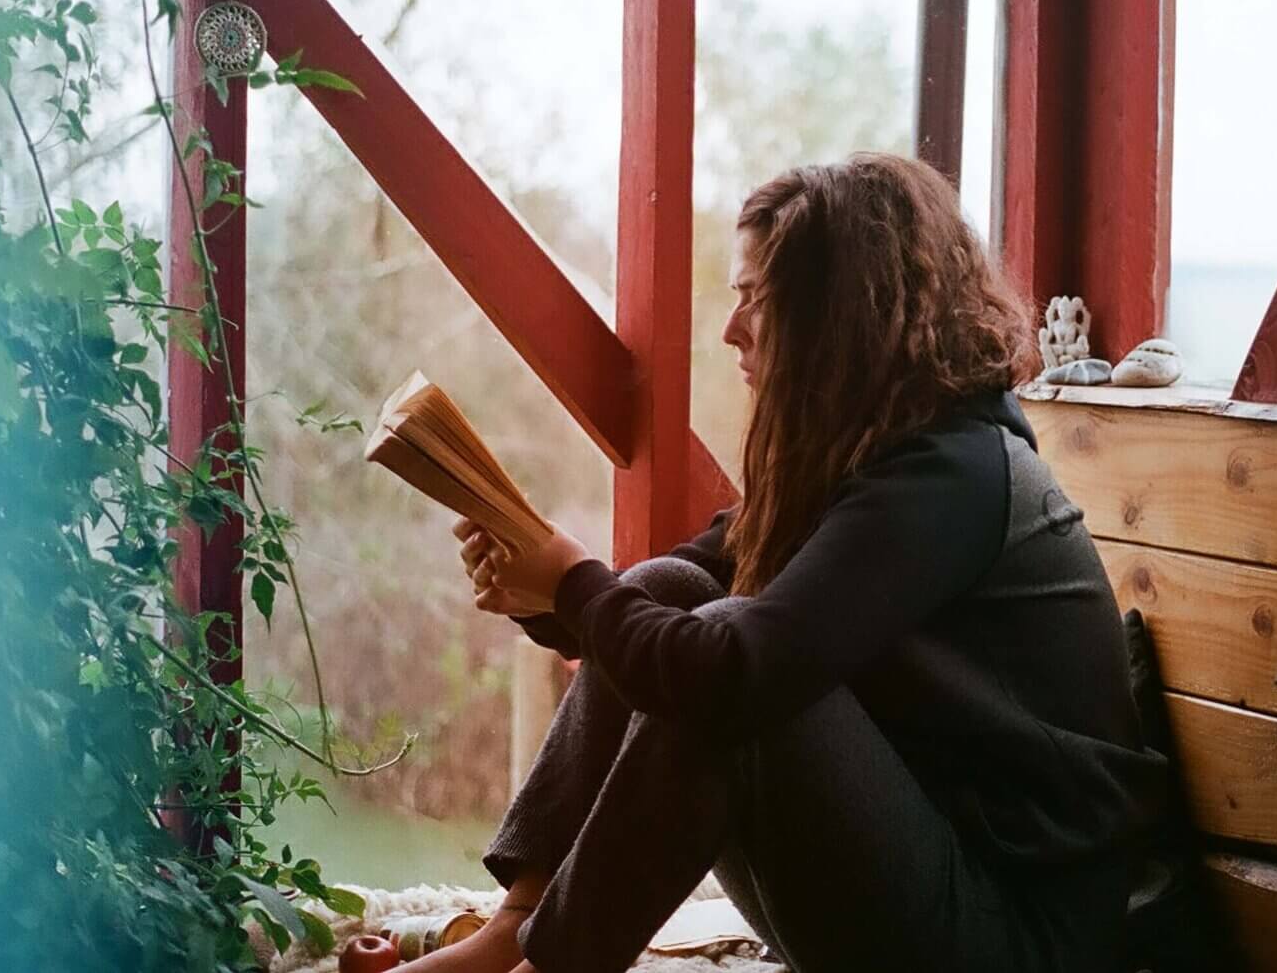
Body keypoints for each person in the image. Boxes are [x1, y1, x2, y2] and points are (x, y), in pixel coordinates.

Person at [409, 153, 1165, 973]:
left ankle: (550, 965)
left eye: (754, 302)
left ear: (837, 315)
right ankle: (517, 929)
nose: (730, 330)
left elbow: (735, 673)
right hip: (932, 873)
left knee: (734, 677)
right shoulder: (874, 454)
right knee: (670, 591)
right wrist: (540, 585)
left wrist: (572, 581)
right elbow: (686, 578)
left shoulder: (953, 477)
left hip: (1018, 936)